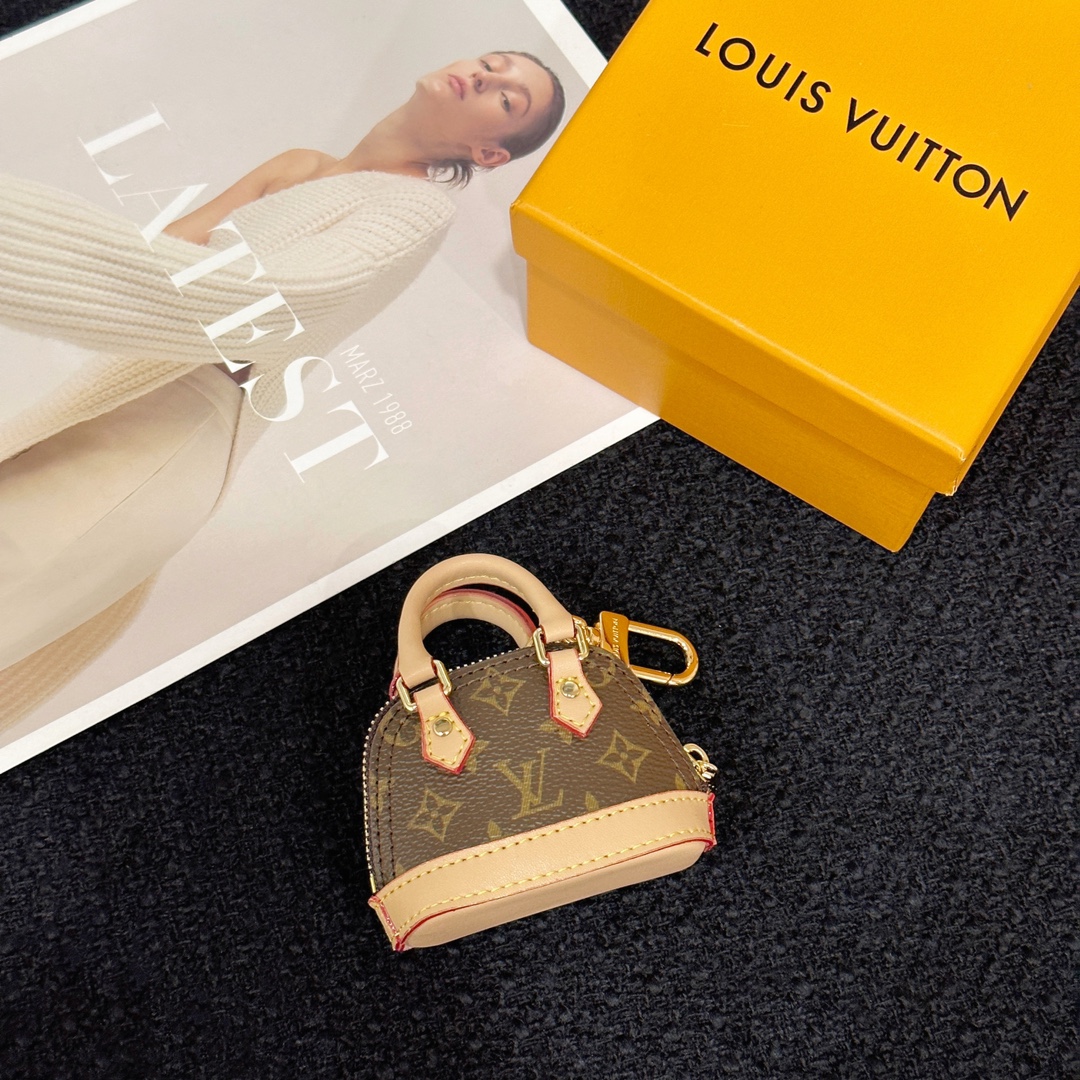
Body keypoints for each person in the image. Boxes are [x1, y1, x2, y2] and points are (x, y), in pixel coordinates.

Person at [0, 52, 566, 688]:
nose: (487, 76)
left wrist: (21, 242)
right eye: (492, 63)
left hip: (170, 432)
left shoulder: (418, 208)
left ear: (488, 153)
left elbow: (261, 303)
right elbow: (167, 254)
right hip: (122, 397)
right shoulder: (298, 165)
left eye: (507, 98)